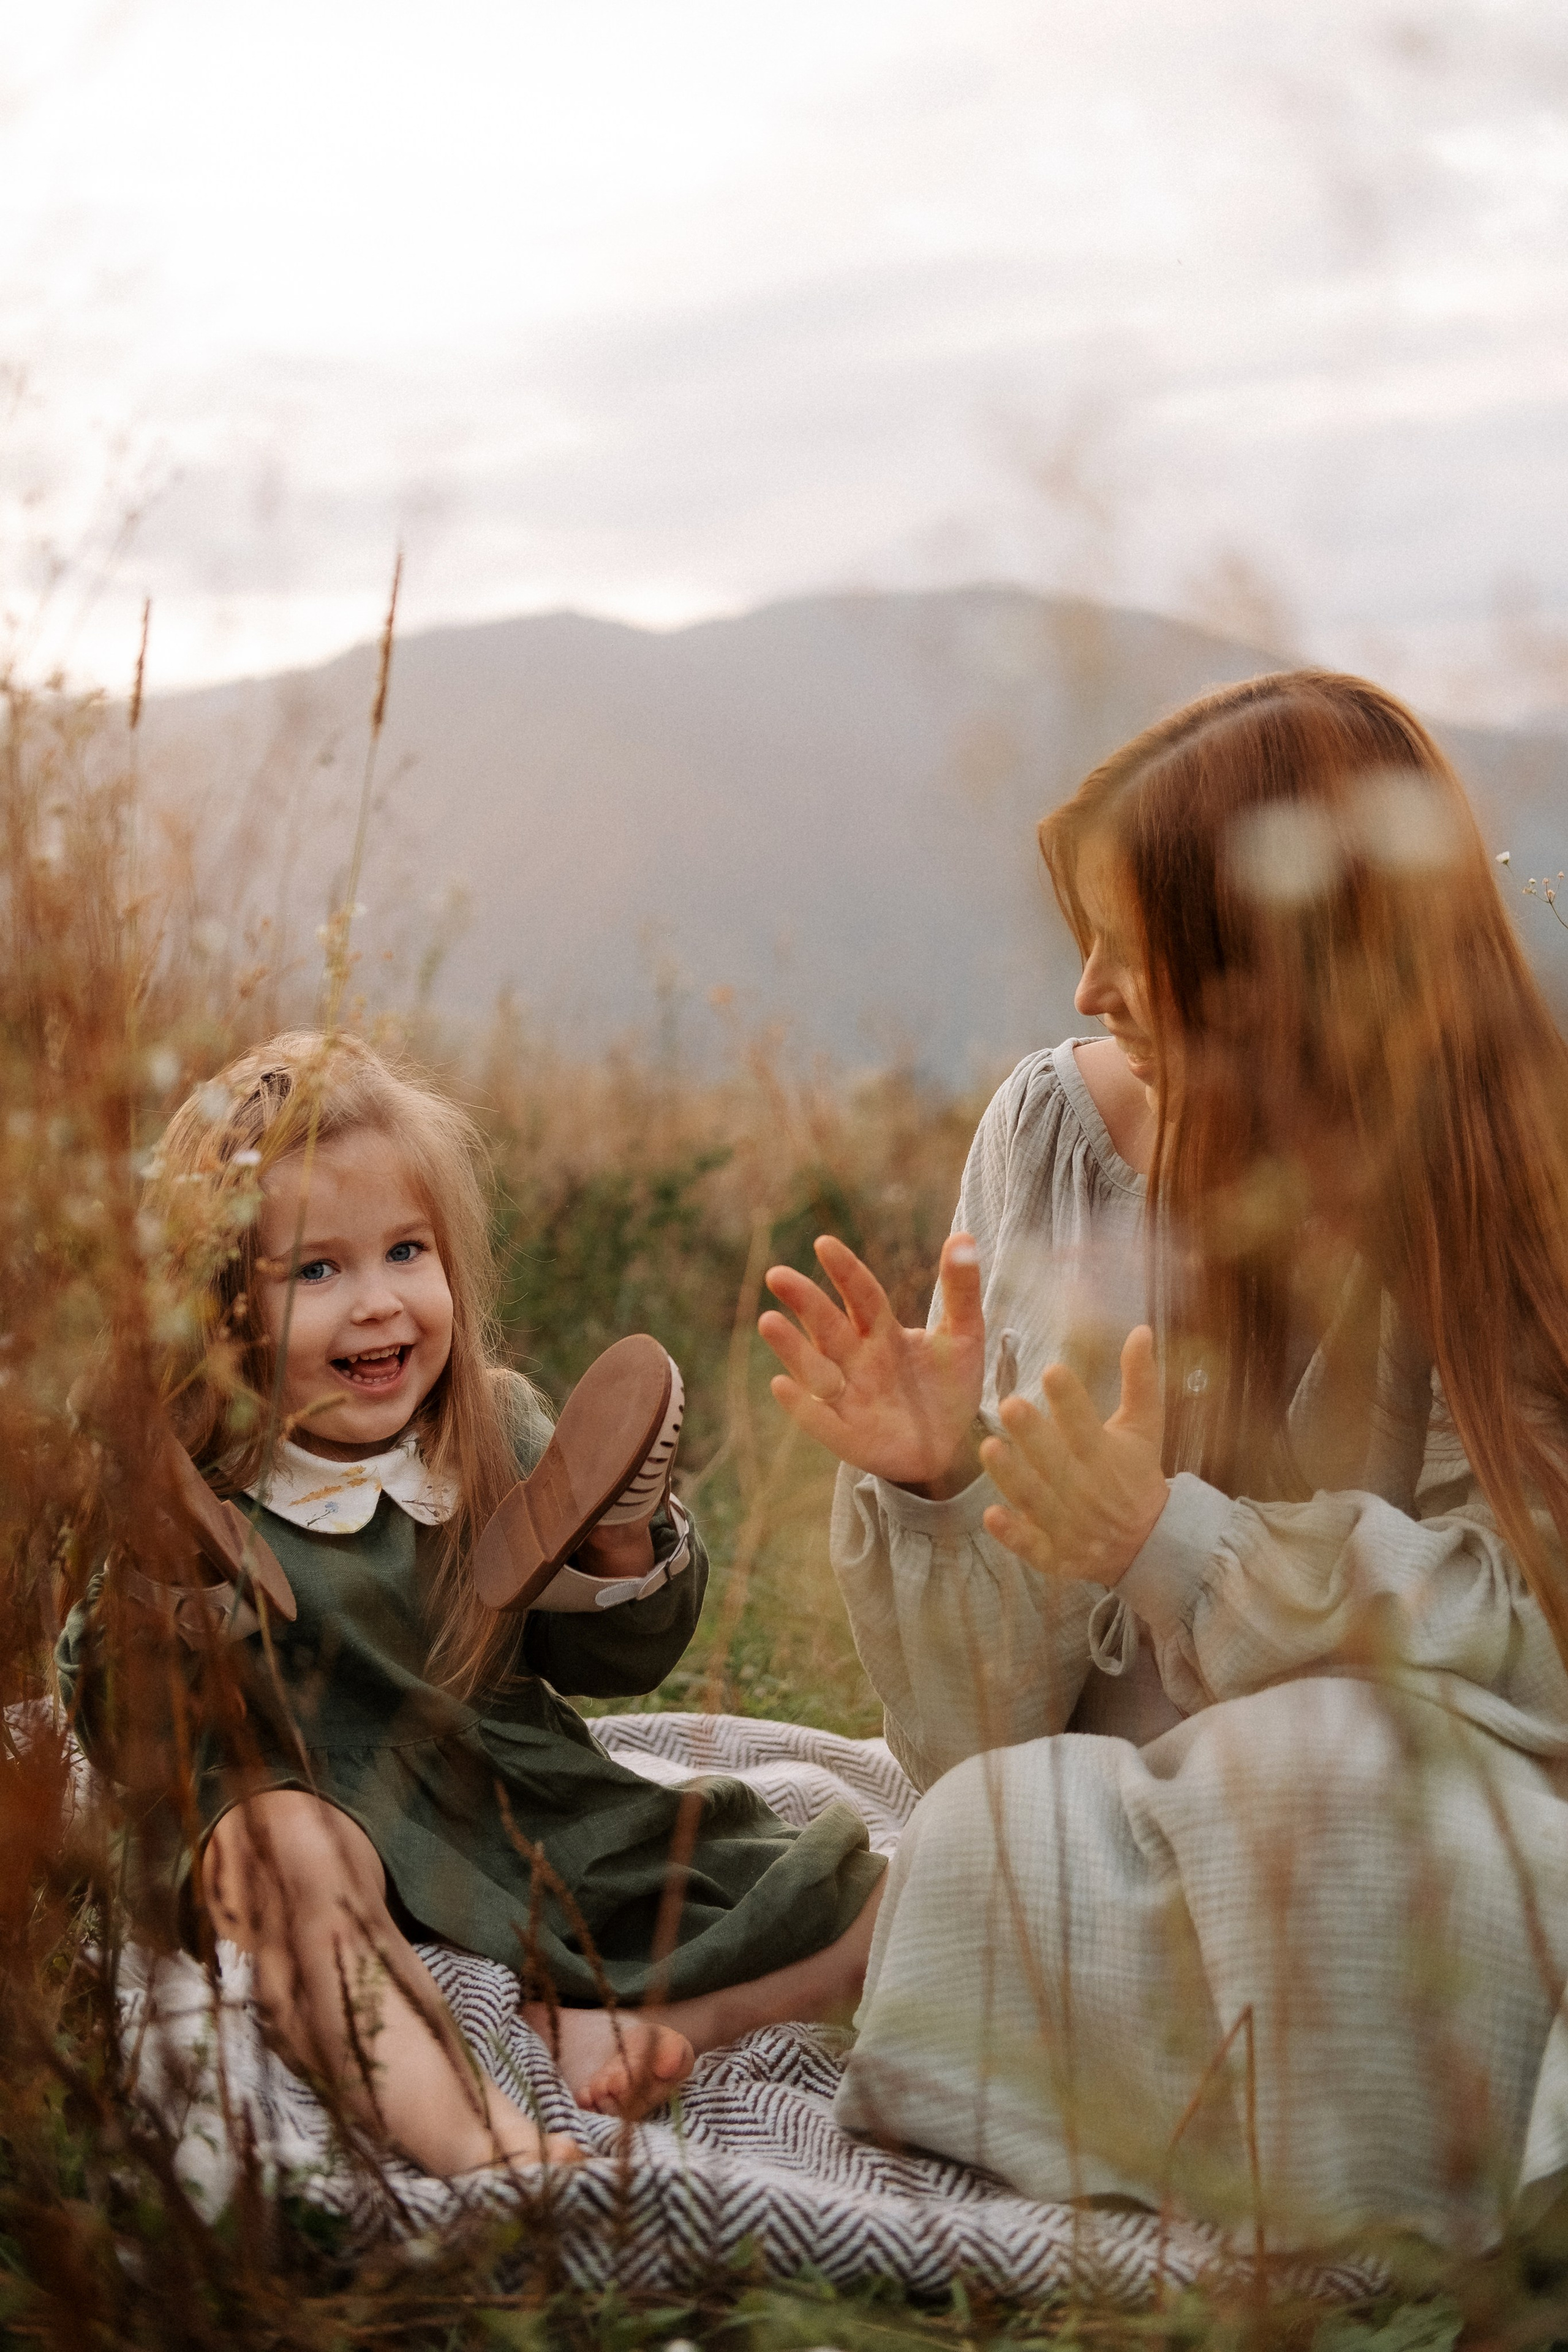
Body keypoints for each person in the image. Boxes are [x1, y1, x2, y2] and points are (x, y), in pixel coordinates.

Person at [760, 671, 1568, 2252]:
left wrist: (1183, 1546)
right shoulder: (1059, 1137)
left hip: (1414, 1801)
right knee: (985, 1833)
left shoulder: (1516, 1172)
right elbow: (973, 1739)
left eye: (1135, 952)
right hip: (1094, 1809)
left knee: (1336, 1799)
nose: (1084, 991)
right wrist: (945, 1493)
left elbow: (1538, 1619)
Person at [58, 1031, 884, 2180]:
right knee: (288, 1857)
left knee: (865, 1897)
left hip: (509, 1795)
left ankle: (661, 2026)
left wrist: (619, 1542)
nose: (379, 1305)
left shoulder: (488, 1435)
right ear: (220, 1309)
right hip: (302, 1785)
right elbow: (122, 1722)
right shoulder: (202, 1480)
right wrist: (161, 1589)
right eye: (316, 1271)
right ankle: (477, 2141)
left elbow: (617, 1664)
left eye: (407, 1252)